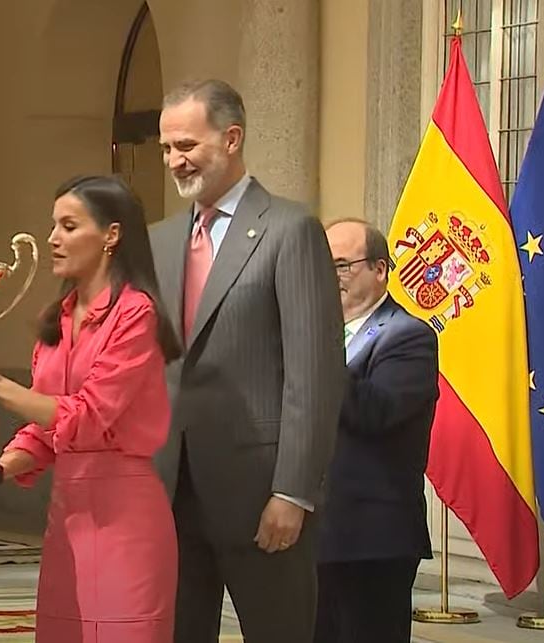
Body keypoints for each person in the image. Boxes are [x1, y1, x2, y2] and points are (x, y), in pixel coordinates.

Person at [0, 175, 181, 643]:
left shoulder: (137, 314)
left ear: (112, 235)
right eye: (53, 225)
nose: (53, 238)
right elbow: (44, 430)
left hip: (126, 519)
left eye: (68, 226)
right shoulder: (58, 318)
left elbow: (87, 415)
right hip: (67, 518)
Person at [149, 79, 343, 643]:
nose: (174, 161)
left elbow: (314, 375)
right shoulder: (160, 241)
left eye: (186, 146)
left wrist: (293, 491)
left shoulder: (291, 230)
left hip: (261, 496)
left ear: (232, 139)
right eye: (165, 149)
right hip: (171, 491)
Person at [315, 218, 437, 643]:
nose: (333, 277)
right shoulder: (317, 335)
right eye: (324, 265)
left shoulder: (408, 336)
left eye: (344, 265)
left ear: (381, 269)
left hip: (371, 538)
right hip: (310, 532)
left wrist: (315, 349)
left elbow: (376, 412)